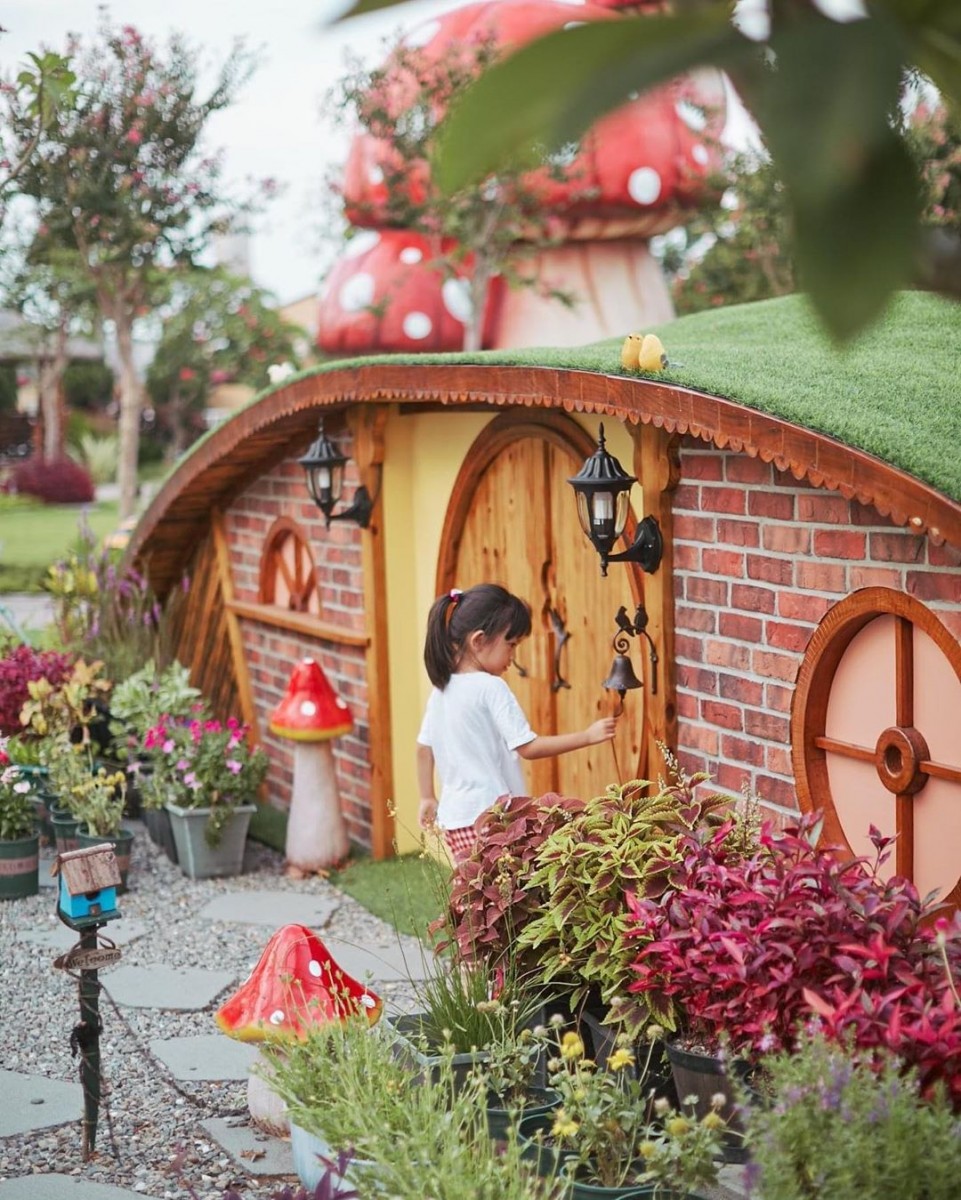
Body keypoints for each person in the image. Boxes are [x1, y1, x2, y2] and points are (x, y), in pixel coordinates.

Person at [416, 583, 617, 863]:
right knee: (510, 896)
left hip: (455, 818)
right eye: (511, 645)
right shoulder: (490, 687)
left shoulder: (441, 690)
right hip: (492, 816)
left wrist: (427, 797)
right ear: (478, 641)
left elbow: (423, 749)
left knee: (476, 897)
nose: (513, 656)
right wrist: (588, 735)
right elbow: (528, 747)